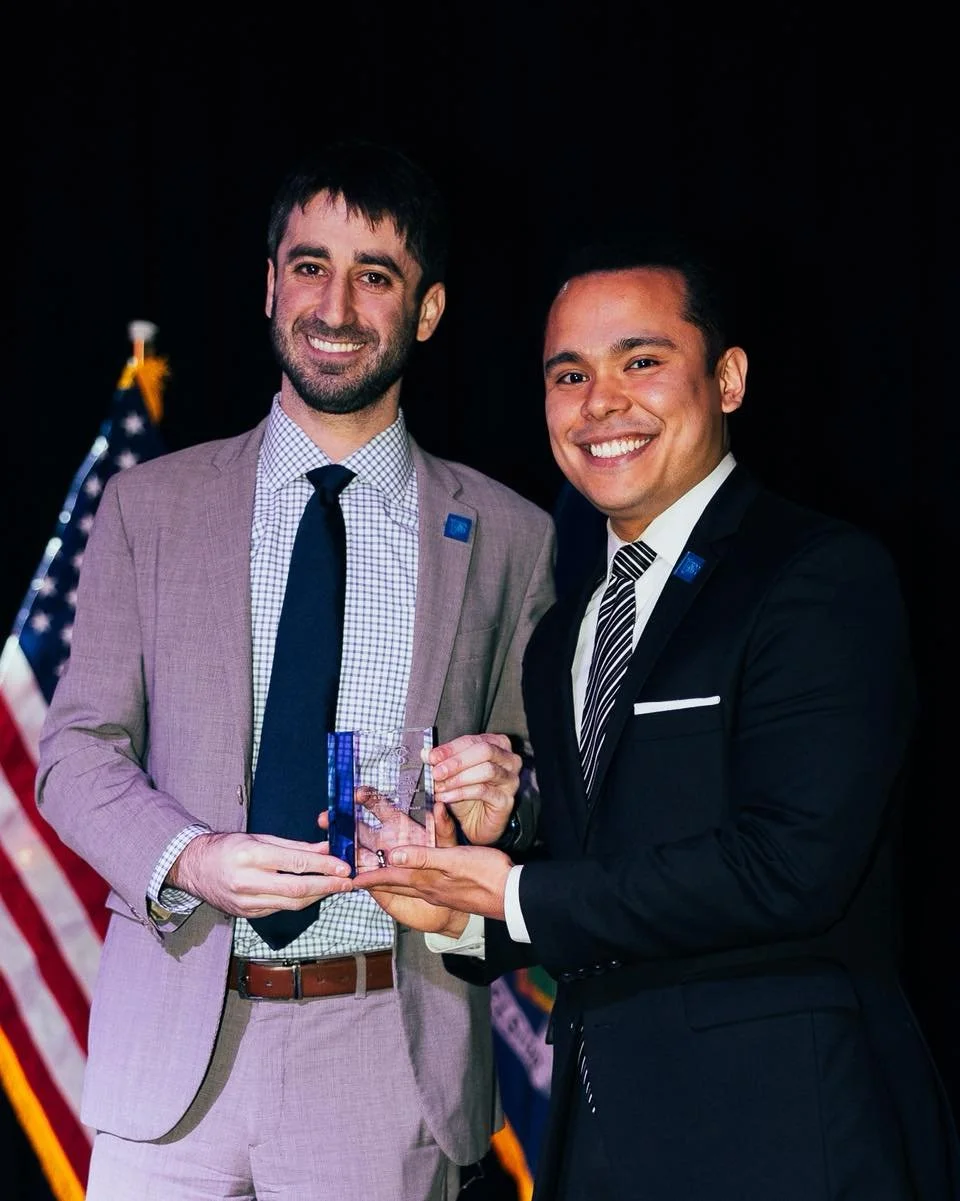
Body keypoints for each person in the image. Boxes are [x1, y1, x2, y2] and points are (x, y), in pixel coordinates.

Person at [356, 233, 960, 1200]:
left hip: (787, 1141)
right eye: (569, 373)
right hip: (597, 1142)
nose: (602, 403)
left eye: (642, 361)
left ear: (727, 379)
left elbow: (788, 869)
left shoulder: (817, 577)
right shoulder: (564, 631)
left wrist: (511, 895)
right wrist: (461, 918)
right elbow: (609, 879)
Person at [35, 139, 556, 1201]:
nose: (337, 302)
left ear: (429, 309)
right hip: (173, 1045)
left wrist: (509, 804)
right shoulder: (151, 508)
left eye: (377, 275)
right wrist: (192, 858)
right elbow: (73, 755)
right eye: (310, 264)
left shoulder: (509, 534)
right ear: (271, 283)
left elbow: (538, 788)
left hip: (383, 1053)